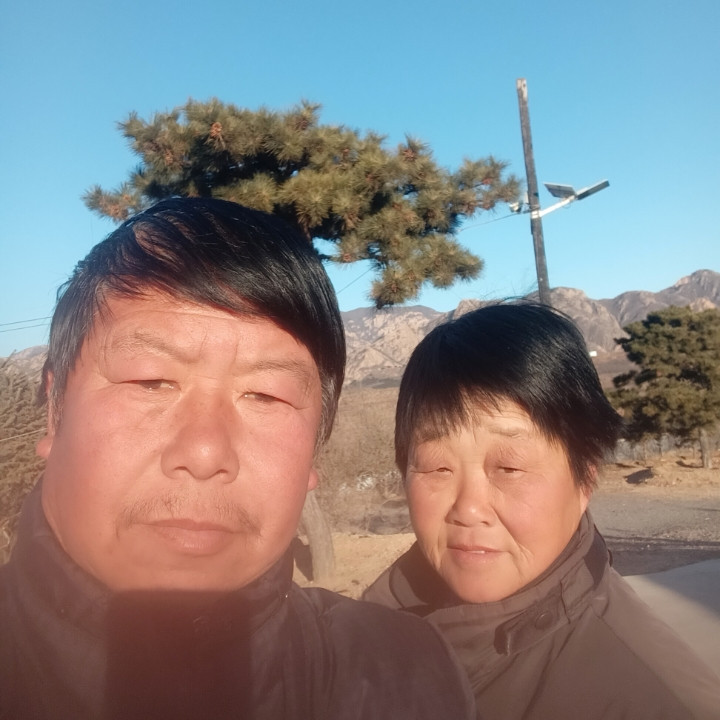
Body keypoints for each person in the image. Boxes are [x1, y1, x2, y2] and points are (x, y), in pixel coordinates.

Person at [0, 198, 475, 720]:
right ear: (55, 410)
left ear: (315, 447)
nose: (205, 453)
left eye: (266, 396)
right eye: (150, 381)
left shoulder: (408, 676)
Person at [364, 302, 720, 720]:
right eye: (437, 466)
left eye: (509, 468)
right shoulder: (366, 628)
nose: (468, 509)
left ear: (585, 480)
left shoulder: (655, 700)